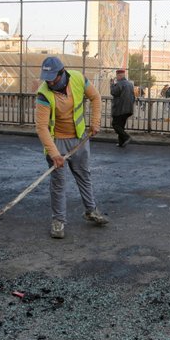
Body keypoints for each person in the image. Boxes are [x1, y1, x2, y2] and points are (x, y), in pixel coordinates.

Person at [34, 56, 108, 240]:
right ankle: (58, 221)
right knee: (58, 184)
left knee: (83, 175)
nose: (50, 81)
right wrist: (54, 154)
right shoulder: (43, 94)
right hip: (56, 141)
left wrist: (95, 122)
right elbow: (41, 127)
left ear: (62, 72)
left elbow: (96, 97)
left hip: (79, 139)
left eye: (53, 77)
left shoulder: (77, 78)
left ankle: (91, 210)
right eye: (47, 78)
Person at [110, 68, 135, 148]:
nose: (116, 78)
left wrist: (111, 85)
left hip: (120, 109)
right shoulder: (130, 84)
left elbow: (113, 92)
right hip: (128, 109)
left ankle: (126, 137)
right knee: (121, 126)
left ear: (120, 75)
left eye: (117, 76)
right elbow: (133, 96)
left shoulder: (119, 84)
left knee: (115, 124)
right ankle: (121, 143)